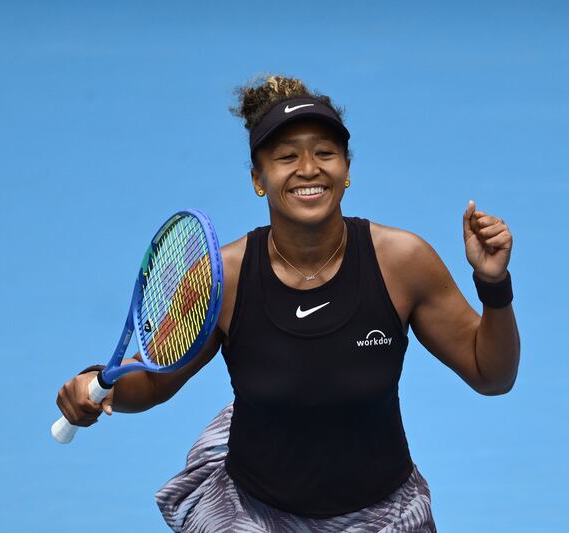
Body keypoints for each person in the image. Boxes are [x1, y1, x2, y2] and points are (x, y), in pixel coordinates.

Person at [55, 75, 521, 532]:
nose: (309, 168)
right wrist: (98, 387)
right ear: (258, 178)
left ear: (347, 170)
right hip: (252, 515)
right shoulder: (223, 278)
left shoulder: (402, 262)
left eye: (325, 153)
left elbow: (491, 374)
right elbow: (154, 380)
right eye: (286, 157)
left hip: (384, 514)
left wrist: (493, 283)